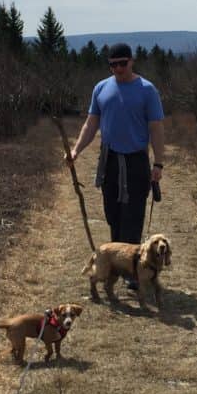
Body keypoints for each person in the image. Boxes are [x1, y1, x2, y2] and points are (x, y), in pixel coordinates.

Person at [67, 42, 165, 254]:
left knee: (132, 215)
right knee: (113, 215)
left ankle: (132, 270)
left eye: (123, 63)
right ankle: (118, 262)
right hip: (109, 161)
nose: (119, 68)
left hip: (136, 161)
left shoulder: (148, 90)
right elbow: (91, 123)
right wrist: (76, 150)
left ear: (131, 61)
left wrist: (158, 163)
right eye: (113, 65)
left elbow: (156, 128)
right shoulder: (101, 88)